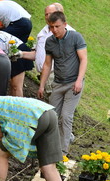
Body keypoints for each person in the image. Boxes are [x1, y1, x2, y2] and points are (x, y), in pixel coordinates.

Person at [0, 95, 62, 181]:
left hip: (32, 118)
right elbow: (0, 143)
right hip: (47, 113)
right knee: (48, 167)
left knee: (1, 152)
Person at [37, 11, 87, 156]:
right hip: (58, 84)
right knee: (51, 116)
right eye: (51, 27)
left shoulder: (76, 37)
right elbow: (47, 65)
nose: (54, 30)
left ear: (65, 25)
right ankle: (49, 148)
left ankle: (62, 152)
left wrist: (79, 80)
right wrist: (42, 85)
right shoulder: (50, 41)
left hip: (74, 84)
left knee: (66, 116)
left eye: (57, 26)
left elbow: (83, 59)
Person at [35, 3, 75, 102]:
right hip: (44, 76)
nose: (48, 16)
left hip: (56, 76)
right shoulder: (43, 31)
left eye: (51, 13)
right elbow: (38, 53)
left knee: (56, 106)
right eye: (46, 14)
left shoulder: (69, 33)